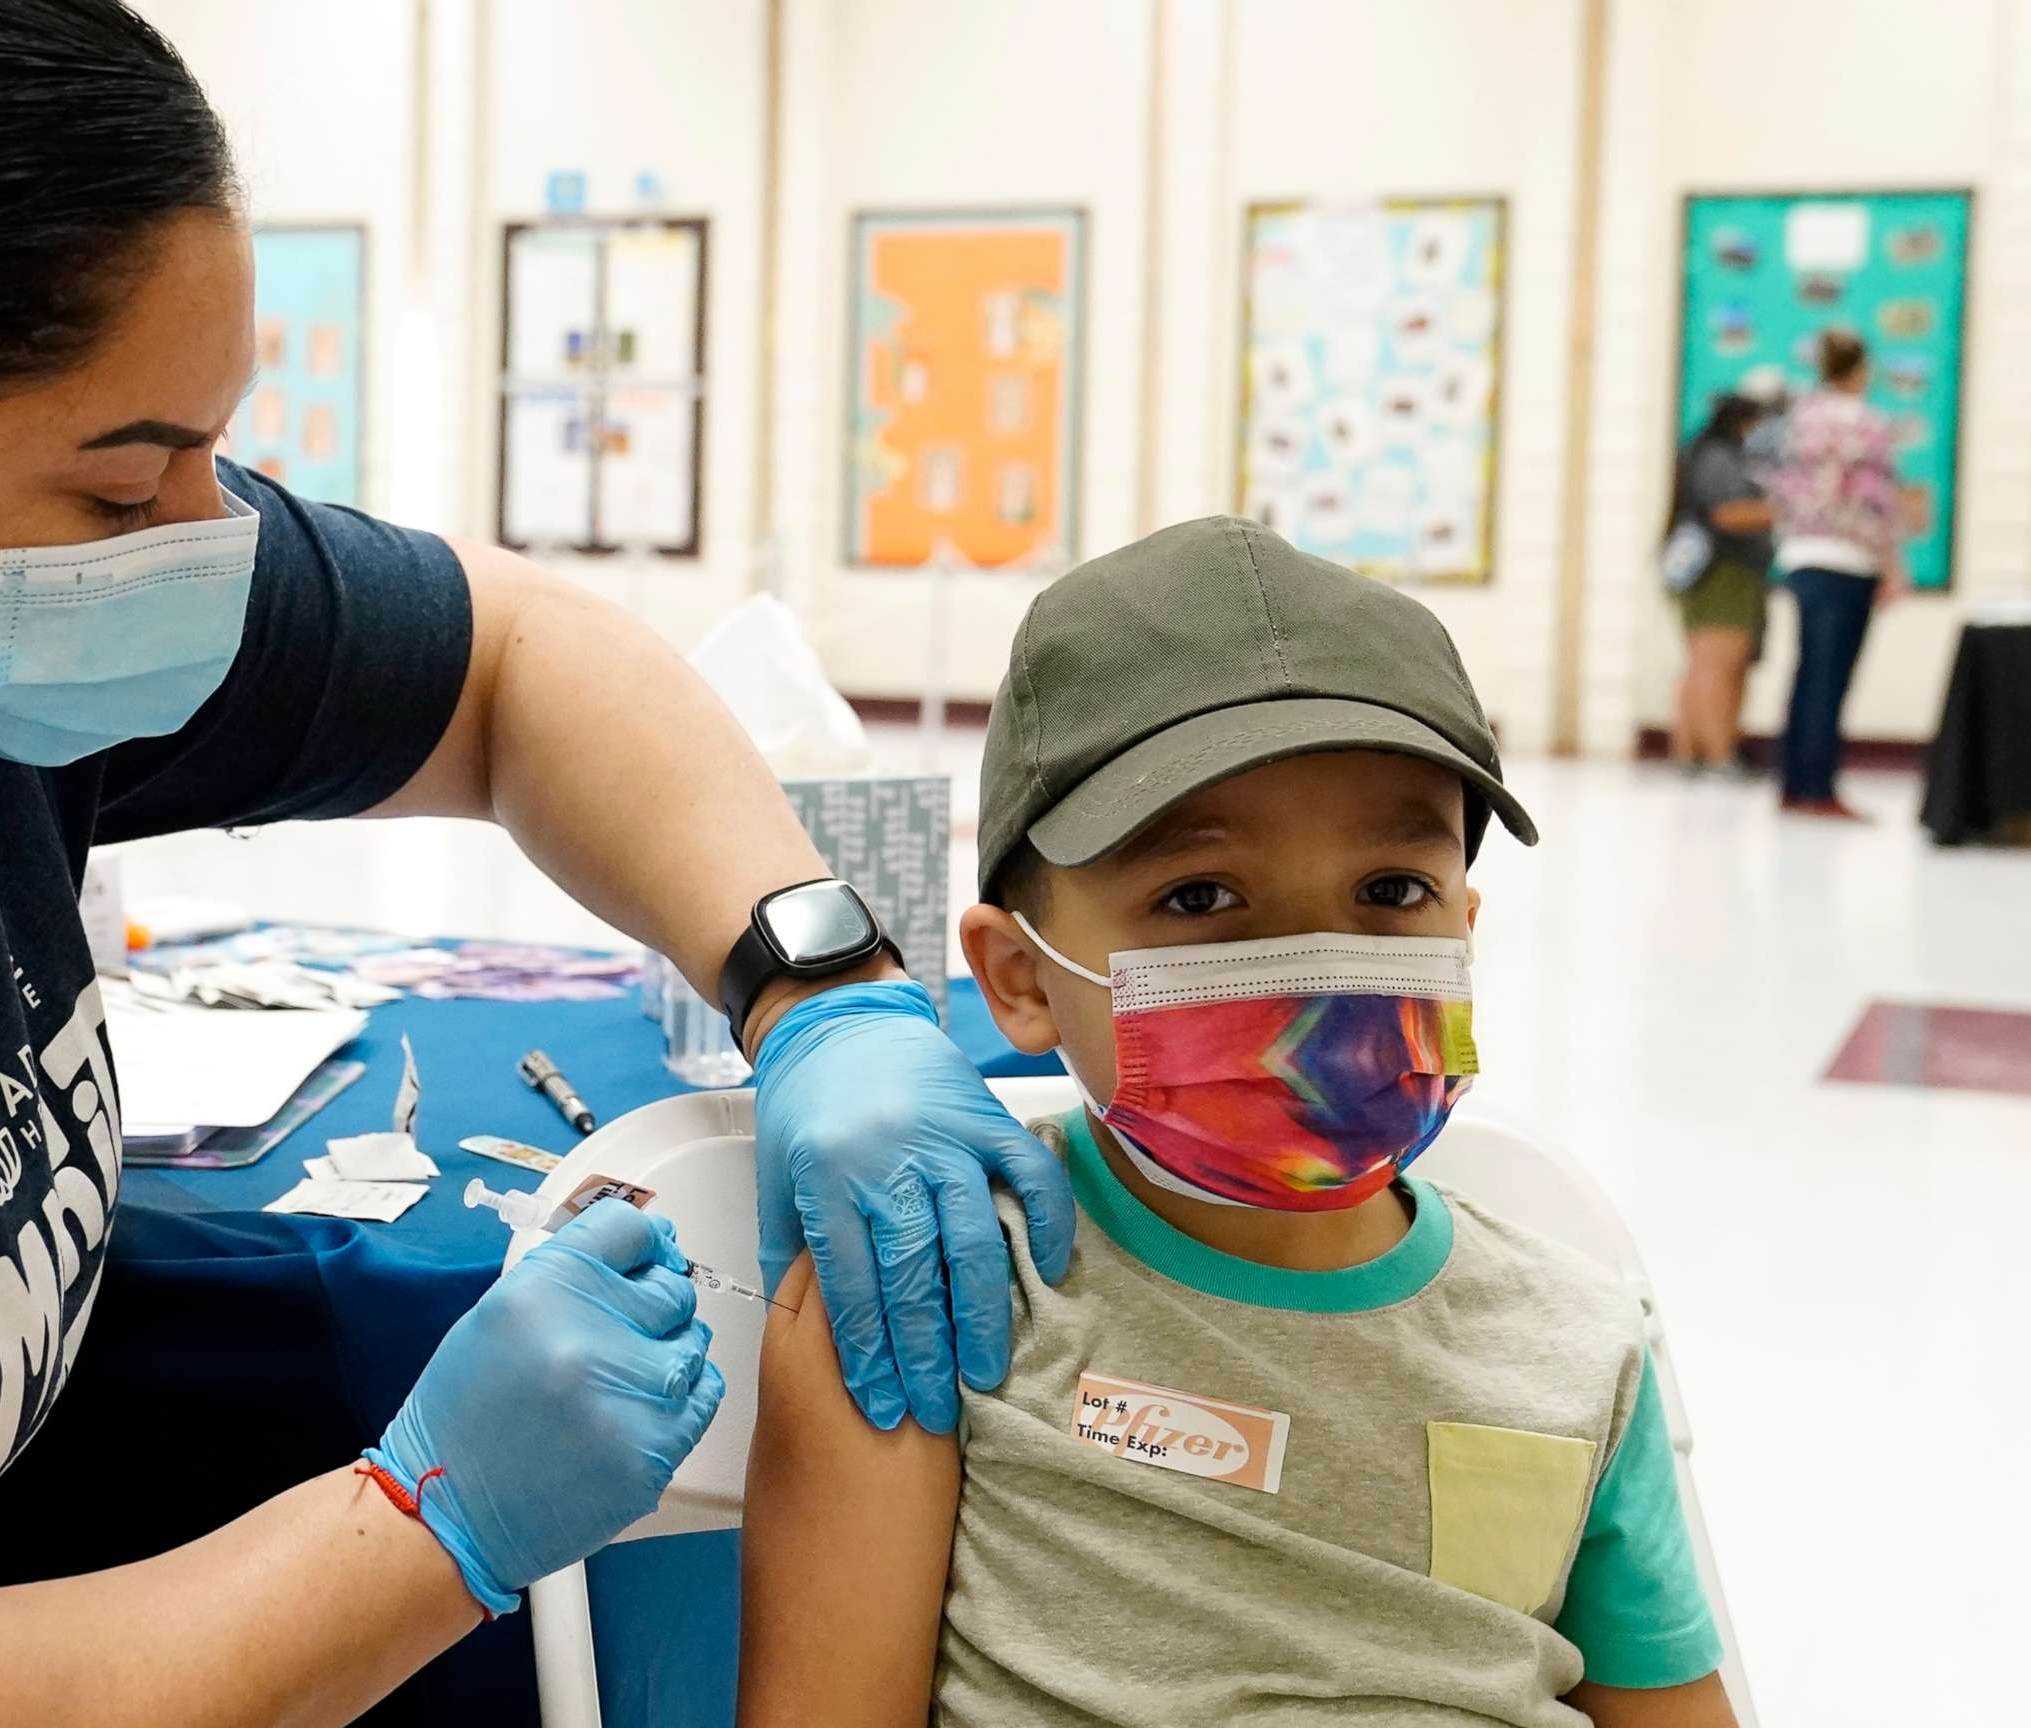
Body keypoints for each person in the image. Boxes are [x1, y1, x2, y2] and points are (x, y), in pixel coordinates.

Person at [0, 3, 1071, 1720]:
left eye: (211, 442)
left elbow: (515, 664)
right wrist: (421, 1522)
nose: (217, 546)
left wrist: (817, 982)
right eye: (131, 490)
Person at [740, 519, 1735, 1728]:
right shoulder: (932, 1297)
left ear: (1465, 925)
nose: (1318, 970)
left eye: (1391, 892)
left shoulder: (1575, 1352)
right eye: (1200, 896)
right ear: (1017, 979)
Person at [1769, 328, 1909, 820]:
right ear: (1860, 370)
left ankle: (1792, 782)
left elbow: (1778, 486)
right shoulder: (1867, 423)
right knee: (1833, 677)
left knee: (1807, 670)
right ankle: (1819, 787)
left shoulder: (1798, 419)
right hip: (1848, 560)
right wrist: (1893, 566)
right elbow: (1875, 501)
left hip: (1802, 555)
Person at [1664, 375, 1781, 778]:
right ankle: (1715, 754)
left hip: (1726, 573)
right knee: (1716, 664)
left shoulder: (1709, 454)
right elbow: (1727, 512)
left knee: (1710, 665)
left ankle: (1699, 751)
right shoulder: (1719, 457)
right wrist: (1789, 507)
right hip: (1722, 573)